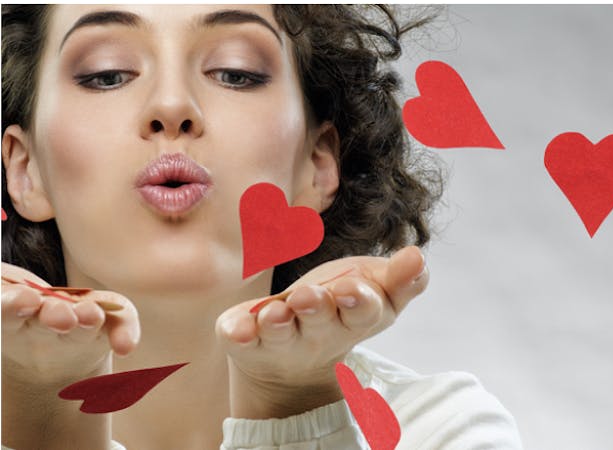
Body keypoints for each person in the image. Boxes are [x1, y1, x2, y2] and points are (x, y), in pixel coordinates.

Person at [1, 5, 523, 449]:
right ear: (25, 170)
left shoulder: (441, 429)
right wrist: (44, 416)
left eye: (235, 72)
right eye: (107, 74)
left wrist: (293, 409)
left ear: (318, 163)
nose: (171, 106)